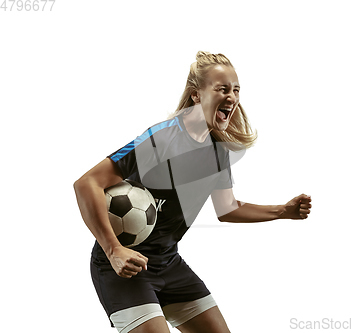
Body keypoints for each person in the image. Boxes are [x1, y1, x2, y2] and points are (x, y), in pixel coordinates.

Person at [74, 51, 312, 333]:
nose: (232, 97)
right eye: (222, 89)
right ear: (196, 95)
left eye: (236, 90)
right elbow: (86, 183)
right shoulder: (161, 139)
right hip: (124, 268)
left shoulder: (218, 150)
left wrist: (282, 211)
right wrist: (114, 250)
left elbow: (228, 209)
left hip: (168, 263)